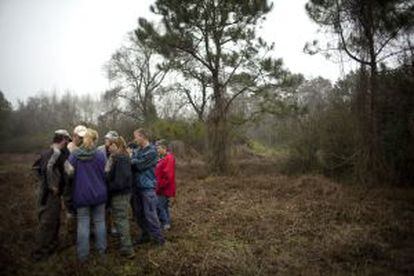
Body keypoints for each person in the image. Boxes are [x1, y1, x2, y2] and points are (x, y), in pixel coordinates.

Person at [66, 128, 108, 262]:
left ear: (84, 139)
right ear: (96, 140)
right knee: (100, 222)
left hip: (82, 194)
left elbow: (69, 174)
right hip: (99, 194)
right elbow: (106, 173)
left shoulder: (74, 154)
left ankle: (83, 256)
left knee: (83, 224)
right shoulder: (100, 154)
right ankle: (101, 252)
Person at [31, 129, 72, 261]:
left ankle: (50, 247)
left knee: (52, 220)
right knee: (47, 222)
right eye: (67, 141)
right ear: (64, 140)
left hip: (43, 192)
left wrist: (42, 183)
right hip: (50, 194)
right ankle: (40, 253)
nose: (67, 144)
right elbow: (49, 167)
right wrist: (52, 186)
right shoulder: (56, 152)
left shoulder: (44, 152)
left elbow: (35, 168)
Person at [131, 128, 165, 245]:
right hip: (136, 186)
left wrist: (133, 160)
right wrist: (134, 159)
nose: (135, 139)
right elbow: (133, 162)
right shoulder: (138, 150)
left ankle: (158, 239)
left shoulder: (152, 151)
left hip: (147, 187)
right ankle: (145, 235)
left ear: (143, 137)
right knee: (139, 214)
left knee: (150, 213)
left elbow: (139, 165)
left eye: (136, 136)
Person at [105, 137, 135, 258]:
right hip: (121, 193)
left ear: (117, 145)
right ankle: (125, 245)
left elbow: (120, 182)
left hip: (120, 194)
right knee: (120, 219)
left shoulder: (121, 158)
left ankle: (128, 249)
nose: (108, 147)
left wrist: (108, 186)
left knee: (122, 220)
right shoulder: (119, 157)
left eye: (111, 145)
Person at [98, 130, 120, 237]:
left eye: (108, 139)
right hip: (101, 182)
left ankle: (113, 226)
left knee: (114, 206)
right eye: (105, 139)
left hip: (113, 183)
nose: (106, 140)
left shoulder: (118, 151)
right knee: (103, 206)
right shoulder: (99, 150)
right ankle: (103, 226)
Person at [155, 139, 176, 230]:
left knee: (160, 206)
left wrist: (159, 186)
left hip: (164, 188)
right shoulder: (164, 157)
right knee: (164, 206)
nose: (157, 150)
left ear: (164, 148)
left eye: (159, 148)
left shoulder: (169, 158)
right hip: (162, 187)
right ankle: (167, 222)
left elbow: (168, 175)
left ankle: (165, 223)